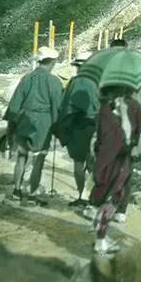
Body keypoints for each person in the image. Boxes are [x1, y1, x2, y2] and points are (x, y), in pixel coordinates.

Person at [89, 84, 141, 254]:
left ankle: (102, 236)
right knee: (107, 201)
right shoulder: (108, 111)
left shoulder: (120, 108)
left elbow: (138, 131)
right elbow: (115, 138)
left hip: (115, 161)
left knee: (110, 199)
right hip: (111, 162)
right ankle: (100, 240)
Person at [4, 46, 64, 205]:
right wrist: (59, 128)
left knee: (22, 157)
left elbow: (15, 104)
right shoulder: (54, 81)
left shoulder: (27, 78)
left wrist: (11, 127)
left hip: (24, 120)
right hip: (42, 123)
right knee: (38, 159)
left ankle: (16, 191)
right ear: (51, 62)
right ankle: (31, 194)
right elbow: (57, 107)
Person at [55, 51, 99, 207]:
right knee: (94, 164)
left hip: (80, 126)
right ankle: (95, 196)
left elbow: (67, 106)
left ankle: (82, 196)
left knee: (79, 164)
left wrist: (61, 126)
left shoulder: (77, 81)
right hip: (98, 126)